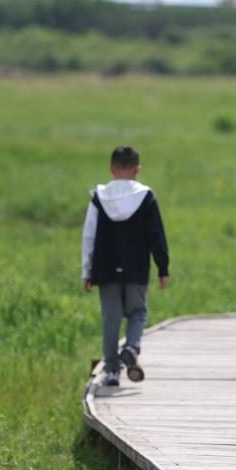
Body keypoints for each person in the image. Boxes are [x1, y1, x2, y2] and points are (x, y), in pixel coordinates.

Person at [81, 146, 170, 387]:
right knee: (137, 312)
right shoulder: (146, 197)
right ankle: (131, 347)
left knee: (111, 319)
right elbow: (156, 236)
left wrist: (86, 270)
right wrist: (163, 268)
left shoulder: (99, 198)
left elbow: (89, 235)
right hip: (136, 268)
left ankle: (112, 371)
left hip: (105, 268)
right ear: (137, 170)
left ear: (112, 169)